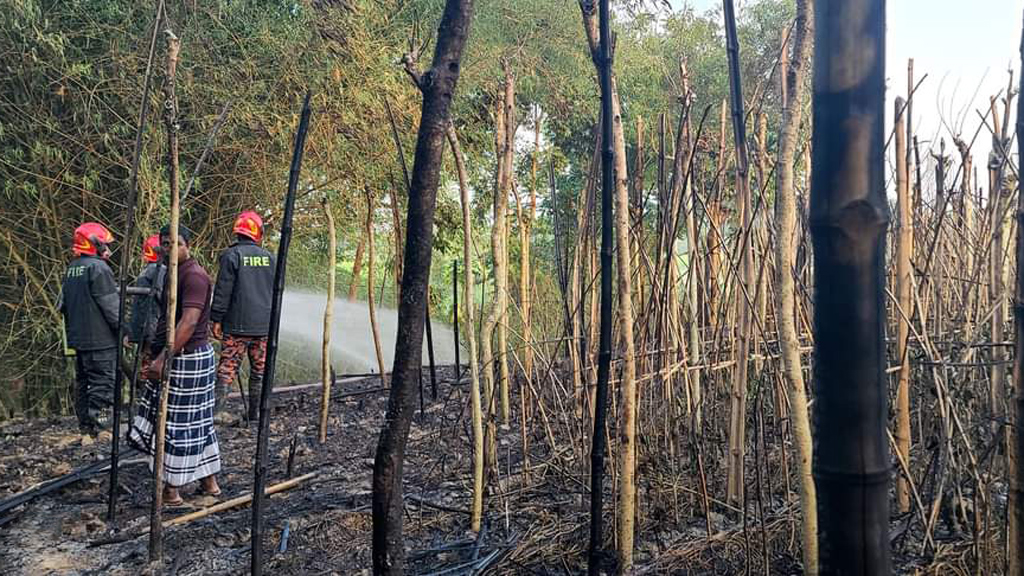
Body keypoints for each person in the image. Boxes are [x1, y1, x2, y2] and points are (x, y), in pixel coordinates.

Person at [129, 224, 220, 506]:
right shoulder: (171, 273)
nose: (170, 249)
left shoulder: (193, 276)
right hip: (179, 355)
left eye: (176, 244)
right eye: (165, 244)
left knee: (176, 423)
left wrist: (162, 359)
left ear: (187, 245)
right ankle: (209, 483)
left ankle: (171, 489)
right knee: (196, 421)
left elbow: (189, 322)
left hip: (186, 358)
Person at [211, 211, 274, 422]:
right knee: (260, 369)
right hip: (263, 327)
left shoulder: (231, 256)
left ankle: (218, 411)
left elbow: (222, 291)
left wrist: (216, 318)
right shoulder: (270, 258)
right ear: (258, 233)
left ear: (237, 232)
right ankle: (255, 414)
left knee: (227, 368)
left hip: (236, 327)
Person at [60, 222, 119, 436]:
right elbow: (111, 306)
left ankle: (86, 427)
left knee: (84, 384)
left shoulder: (72, 269)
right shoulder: (99, 268)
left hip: (80, 340)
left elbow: (63, 305)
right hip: (101, 341)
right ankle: (102, 428)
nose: (108, 249)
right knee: (102, 386)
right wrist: (125, 330)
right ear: (94, 243)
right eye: (105, 244)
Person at [127, 234, 165, 349]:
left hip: (144, 328)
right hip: (153, 328)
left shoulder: (146, 271)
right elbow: (163, 297)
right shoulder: (158, 270)